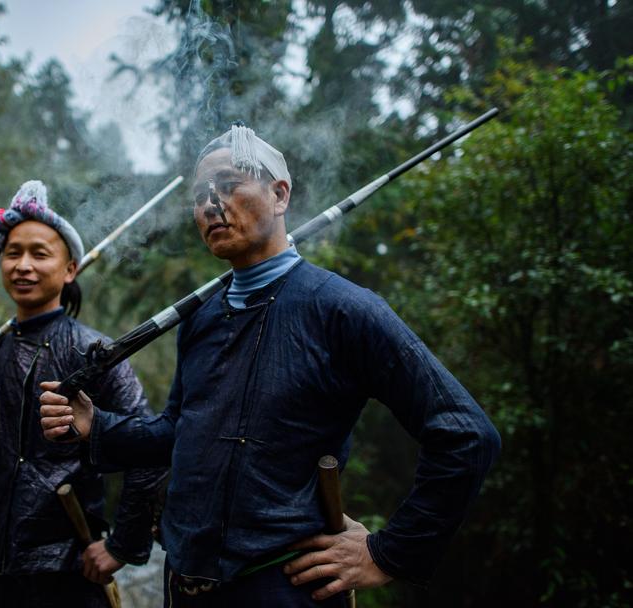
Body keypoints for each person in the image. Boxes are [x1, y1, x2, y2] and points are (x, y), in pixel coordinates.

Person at [39, 126, 502, 607]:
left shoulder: (343, 310)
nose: (210, 204)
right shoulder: (201, 320)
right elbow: (179, 432)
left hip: (280, 587)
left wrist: (390, 553)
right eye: (200, 195)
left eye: (229, 184)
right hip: (183, 583)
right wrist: (96, 427)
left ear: (280, 194)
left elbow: (466, 435)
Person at [0, 180, 166, 608]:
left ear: (70, 268)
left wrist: (121, 547)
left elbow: (147, 445)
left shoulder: (96, 353)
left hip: (64, 570)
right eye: (13, 253)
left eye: (40, 254)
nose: (23, 266)